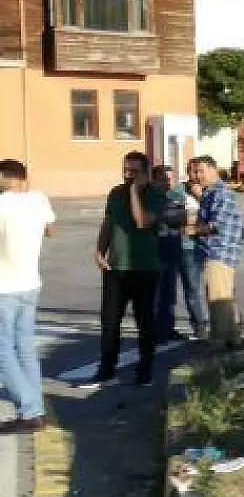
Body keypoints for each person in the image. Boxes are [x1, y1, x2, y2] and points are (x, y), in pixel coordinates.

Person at [88, 151, 167, 388]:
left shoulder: (157, 195)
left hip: (144, 267)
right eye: (125, 170)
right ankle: (106, 370)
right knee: (110, 321)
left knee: (145, 322)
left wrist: (134, 191)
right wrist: (99, 250)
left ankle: (145, 371)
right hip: (116, 267)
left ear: (146, 173)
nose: (128, 175)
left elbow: (142, 221)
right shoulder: (115, 193)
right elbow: (108, 222)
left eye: (134, 171)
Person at [0, 160, 55, 432]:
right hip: (30, 283)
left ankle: (29, 410)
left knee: (3, 352)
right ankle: (37, 409)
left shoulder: (2, 204)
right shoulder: (38, 200)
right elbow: (51, 230)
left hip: (4, 287)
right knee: (24, 347)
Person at [188, 156, 244, 349]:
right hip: (218, 251)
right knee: (225, 295)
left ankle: (218, 340)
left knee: (217, 297)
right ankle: (233, 336)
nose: (196, 176)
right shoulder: (211, 192)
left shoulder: (220, 192)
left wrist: (191, 230)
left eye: (200, 171)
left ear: (213, 169)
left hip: (219, 251)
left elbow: (216, 224)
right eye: (194, 172)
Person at [152, 163, 207, 342]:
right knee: (166, 292)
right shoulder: (153, 196)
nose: (168, 182)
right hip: (165, 247)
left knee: (192, 289)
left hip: (189, 247)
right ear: (155, 180)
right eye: (163, 178)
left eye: (171, 178)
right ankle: (165, 329)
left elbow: (205, 213)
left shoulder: (187, 191)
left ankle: (199, 328)